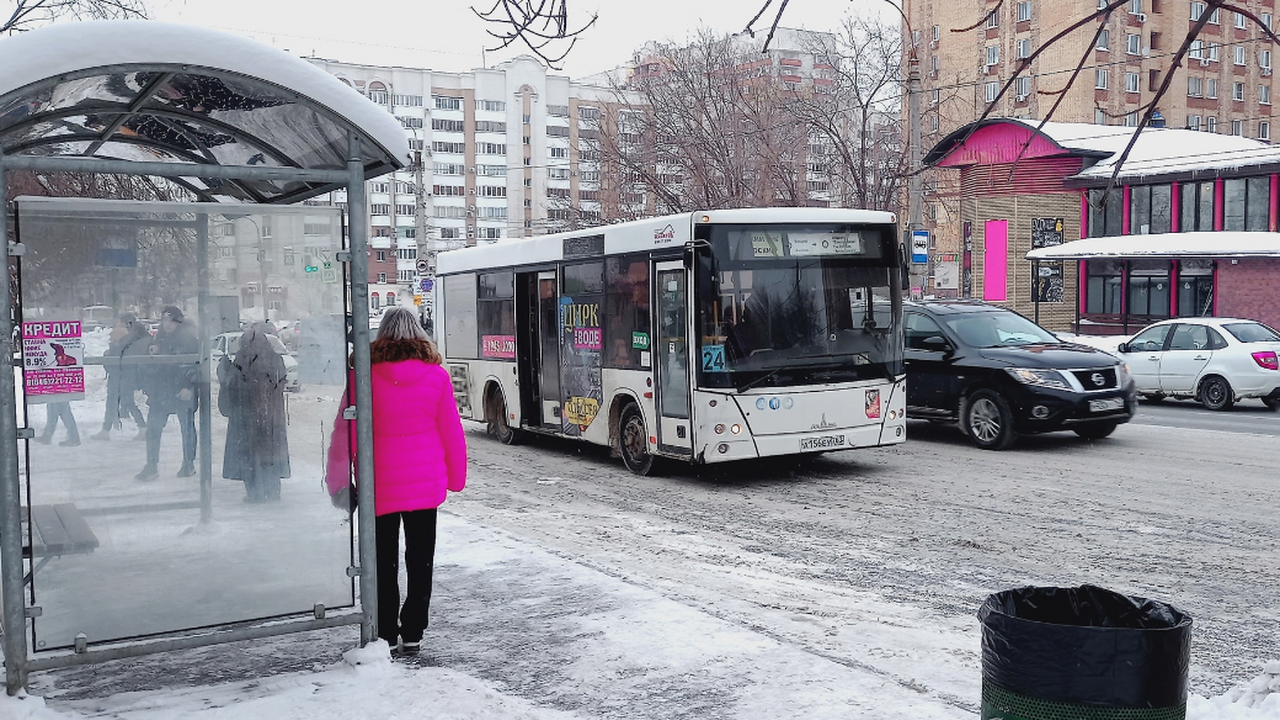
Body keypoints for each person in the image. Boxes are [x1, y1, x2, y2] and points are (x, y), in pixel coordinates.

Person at [324, 306, 467, 656]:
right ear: (419, 333)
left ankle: (385, 631)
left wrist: (338, 481)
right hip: (424, 485)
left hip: (378, 486)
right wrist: (456, 477)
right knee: (420, 561)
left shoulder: (365, 376)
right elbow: (451, 430)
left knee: (382, 563)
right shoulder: (436, 376)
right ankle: (414, 630)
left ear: (381, 334)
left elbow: (346, 429)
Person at [218, 328, 290, 503]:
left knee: (250, 456)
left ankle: (255, 492)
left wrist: (224, 370)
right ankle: (273, 490)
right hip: (271, 418)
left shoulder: (242, 361)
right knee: (270, 455)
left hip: (247, 418)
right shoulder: (276, 359)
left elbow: (232, 389)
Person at [136, 306, 199, 481]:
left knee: (186, 428)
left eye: (171, 320)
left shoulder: (189, 340)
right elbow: (148, 365)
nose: (168, 324)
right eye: (165, 320)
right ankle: (151, 465)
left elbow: (195, 365)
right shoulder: (158, 339)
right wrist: (152, 355)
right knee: (153, 428)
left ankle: (188, 463)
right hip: (161, 391)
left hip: (181, 389)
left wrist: (189, 386)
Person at [92, 313, 148, 441]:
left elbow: (116, 356)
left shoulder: (124, 336)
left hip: (120, 375)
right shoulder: (133, 337)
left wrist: (108, 352)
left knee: (118, 402)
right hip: (125, 375)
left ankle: (141, 428)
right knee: (122, 402)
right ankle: (108, 429)